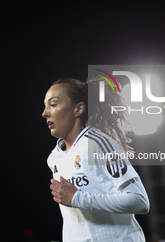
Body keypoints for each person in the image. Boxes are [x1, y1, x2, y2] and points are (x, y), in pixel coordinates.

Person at [42, 77, 150, 242]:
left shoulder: (98, 144)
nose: (45, 113)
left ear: (78, 109)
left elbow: (139, 201)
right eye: (45, 106)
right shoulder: (54, 158)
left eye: (53, 104)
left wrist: (78, 198)